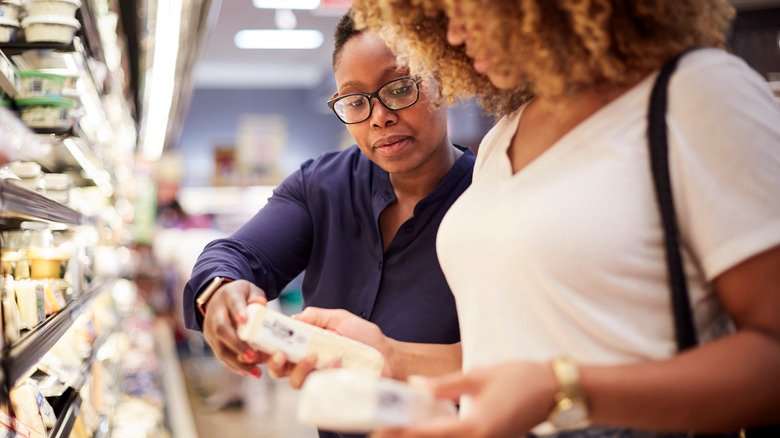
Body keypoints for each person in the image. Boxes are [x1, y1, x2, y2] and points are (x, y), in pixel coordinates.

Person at [344, 1, 780, 437]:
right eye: (443, 15)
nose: (455, 34)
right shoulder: (503, 137)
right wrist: (389, 355)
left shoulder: (697, 94)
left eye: (468, 9)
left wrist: (565, 389)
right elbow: (511, 357)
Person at [182, 12, 474, 438]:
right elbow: (236, 255)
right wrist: (222, 290)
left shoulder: (489, 199)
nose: (379, 117)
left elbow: (521, 358)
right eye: (355, 101)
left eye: (399, 87)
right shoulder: (323, 186)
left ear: (443, 81)